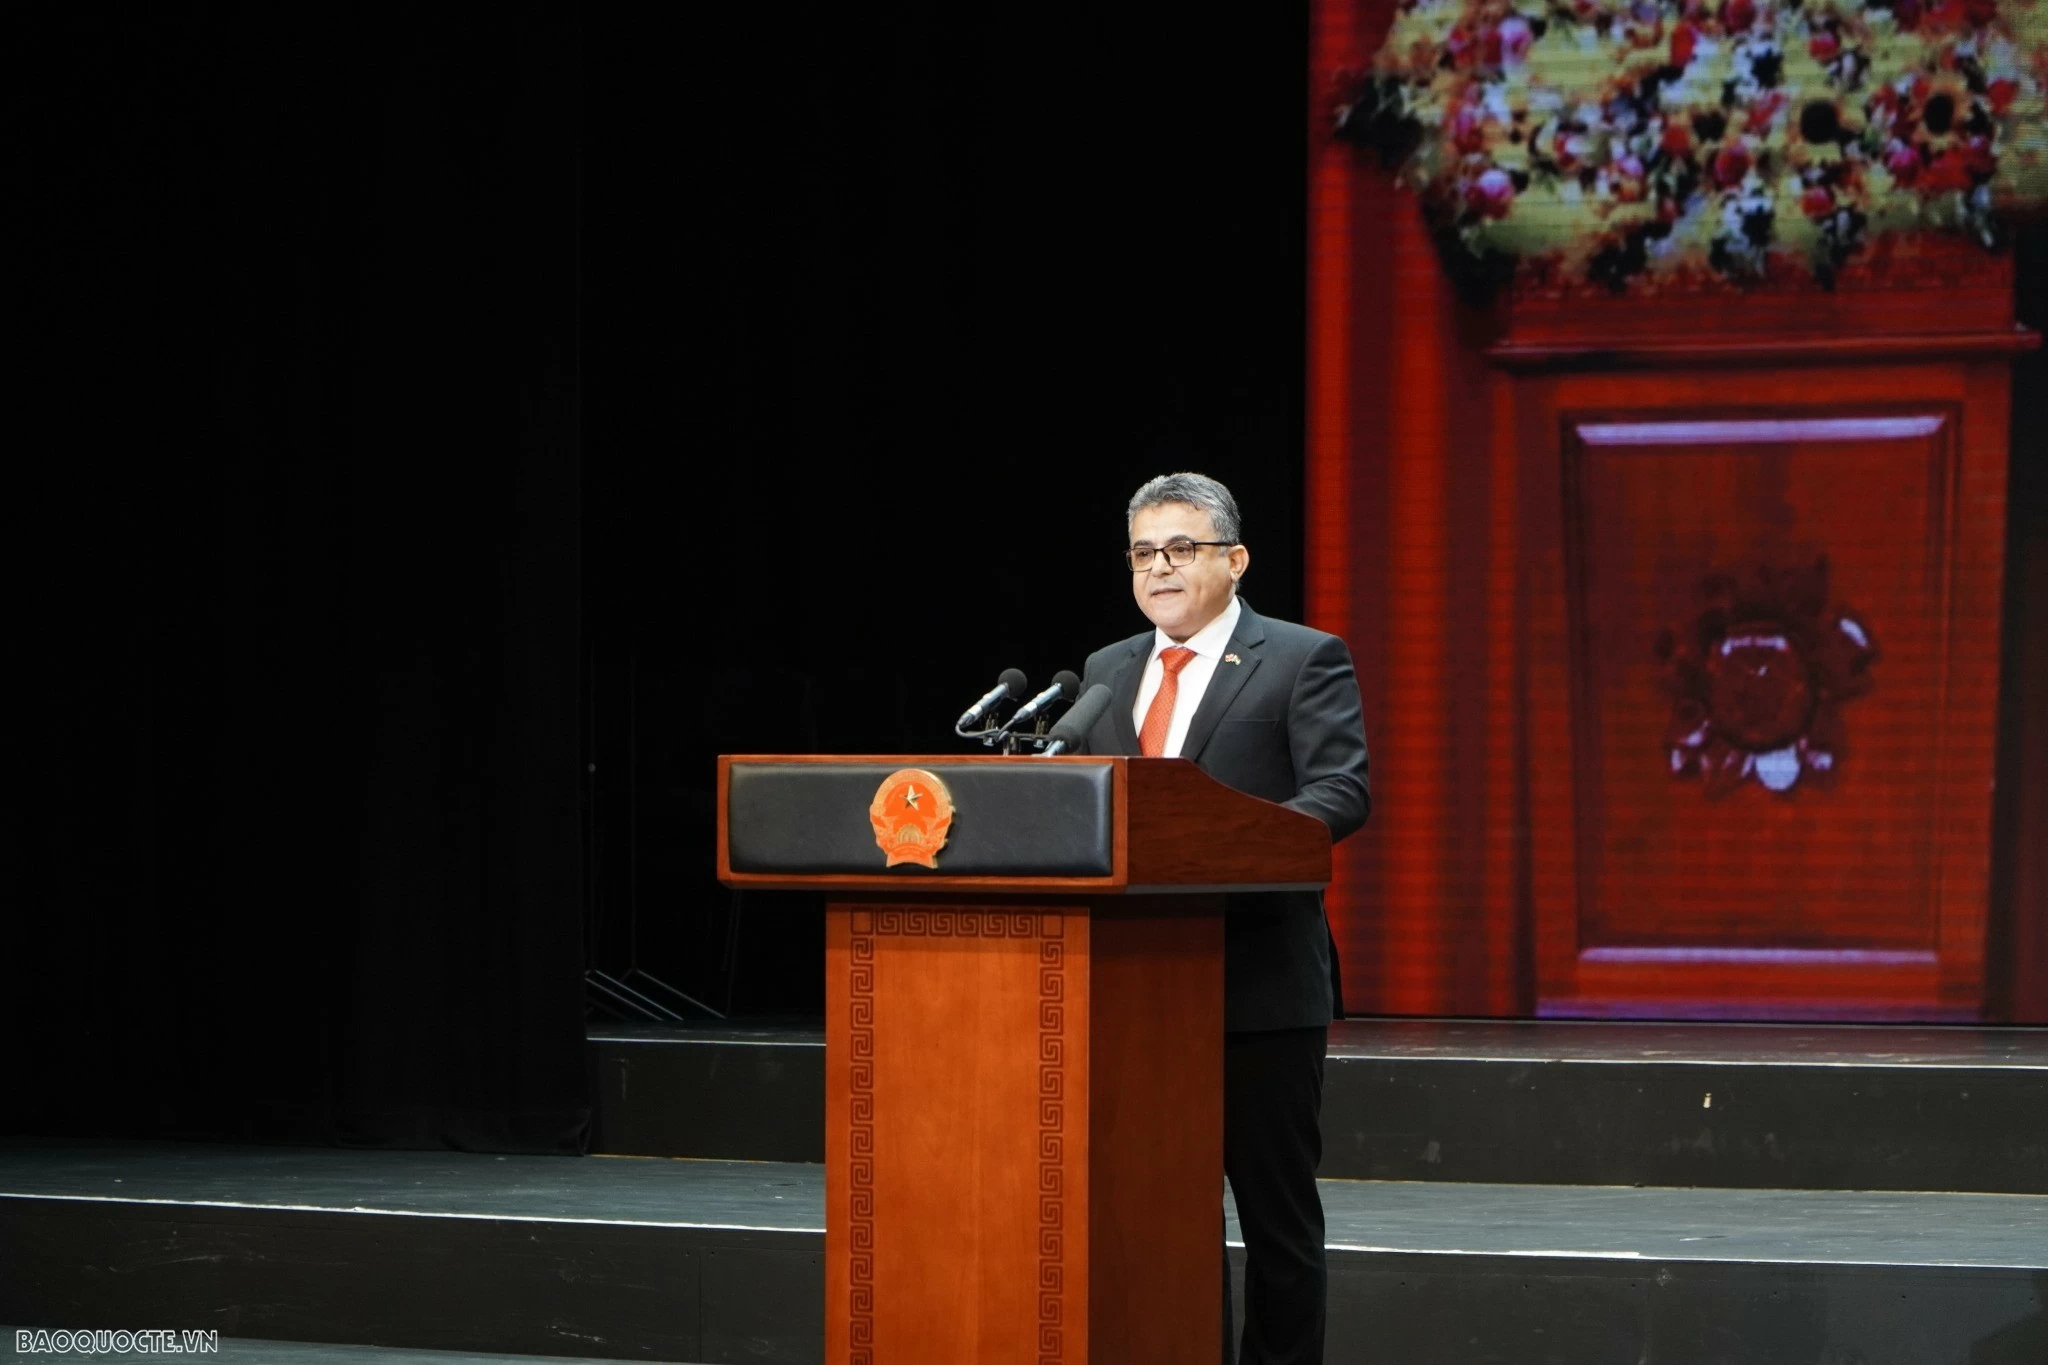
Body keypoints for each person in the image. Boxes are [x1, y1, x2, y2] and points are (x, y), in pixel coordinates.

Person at [1075, 471, 1371, 1365]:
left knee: (1276, 1220)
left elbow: (1340, 790)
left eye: (1181, 549)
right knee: (1163, 1215)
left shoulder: (1301, 656)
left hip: (1258, 986)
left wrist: (1233, 847)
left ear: (1234, 560)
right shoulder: (1105, 671)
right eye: (1142, 553)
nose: (1159, 568)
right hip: (1134, 987)